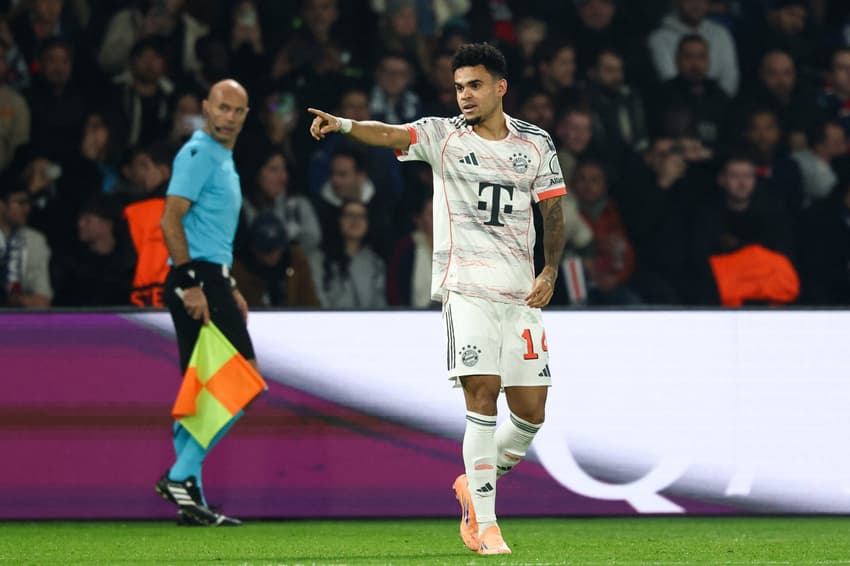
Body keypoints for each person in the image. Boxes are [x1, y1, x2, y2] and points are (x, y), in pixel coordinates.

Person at [308, 42, 568, 555]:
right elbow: (387, 135)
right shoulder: (442, 135)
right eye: (458, 87)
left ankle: (474, 481)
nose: (465, 95)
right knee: (482, 397)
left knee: (531, 413)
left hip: (520, 294)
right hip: (466, 289)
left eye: (474, 85)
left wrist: (551, 268)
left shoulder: (536, 143)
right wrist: (342, 124)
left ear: (500, 87)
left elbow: (553, 212)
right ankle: (487, 525)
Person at [156, 78, 254, 527]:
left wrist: (228, 283)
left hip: (211, 276)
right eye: (222, 108)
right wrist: (193, 281)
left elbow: (207, 231)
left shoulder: (221, 157)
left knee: (203, 390)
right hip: (196, 278)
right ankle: (179, 474)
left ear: (245, 116)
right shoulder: (198, 153)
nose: (229, 116)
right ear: (205, 108)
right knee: (240, 378)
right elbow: (170, 217)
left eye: (237, 110)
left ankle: (188, 492)